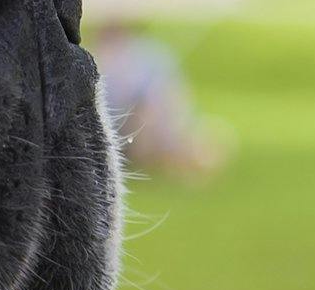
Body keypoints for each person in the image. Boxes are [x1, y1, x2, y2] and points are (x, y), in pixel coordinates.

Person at [94, 21, 231, 183]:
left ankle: (173, 152)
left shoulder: (151, 55)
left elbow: (172, 99)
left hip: (152, 124)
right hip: (124, 129)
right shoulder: (97, 56)